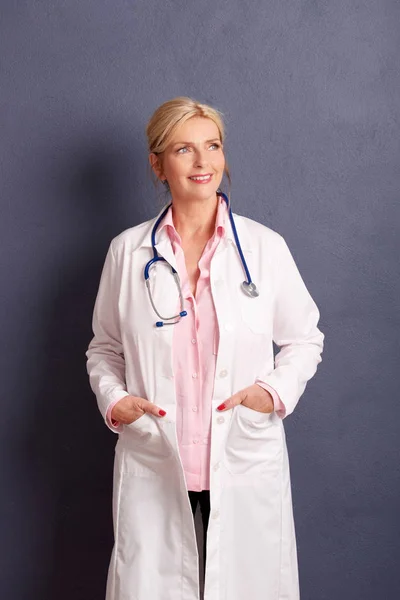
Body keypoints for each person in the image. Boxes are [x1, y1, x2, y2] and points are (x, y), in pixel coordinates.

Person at [85, 96, 324, 600]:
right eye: (184, 149)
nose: (203, 162)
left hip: (242, 461)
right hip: (156, 458)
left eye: (212, 146)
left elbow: (305, 338)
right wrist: (116, 401)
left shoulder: (264, 248)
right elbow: (104, 349)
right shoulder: (128, 252)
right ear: (157, 164)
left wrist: (271, 391)